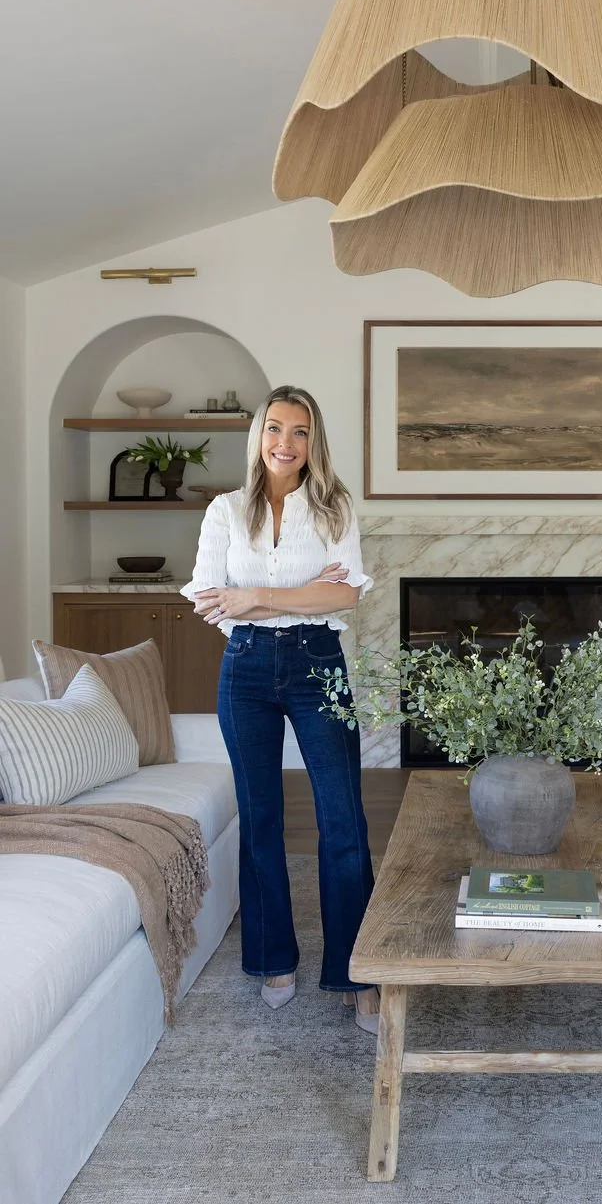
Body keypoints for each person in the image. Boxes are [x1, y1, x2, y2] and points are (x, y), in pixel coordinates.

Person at [181, 385, 378, 1030]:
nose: (284, 443)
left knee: (342, 817)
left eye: (299, 431)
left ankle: (358, 970)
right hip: (245, 669)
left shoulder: (335, 508)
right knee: (260, 818)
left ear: (313, 442)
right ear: (258, 435)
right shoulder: (225, 510)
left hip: (319, 662)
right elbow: (212, 598)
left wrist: (256, 598)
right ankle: (273, 959)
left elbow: (344, 598)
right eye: (274, 428)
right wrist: (285, 599)